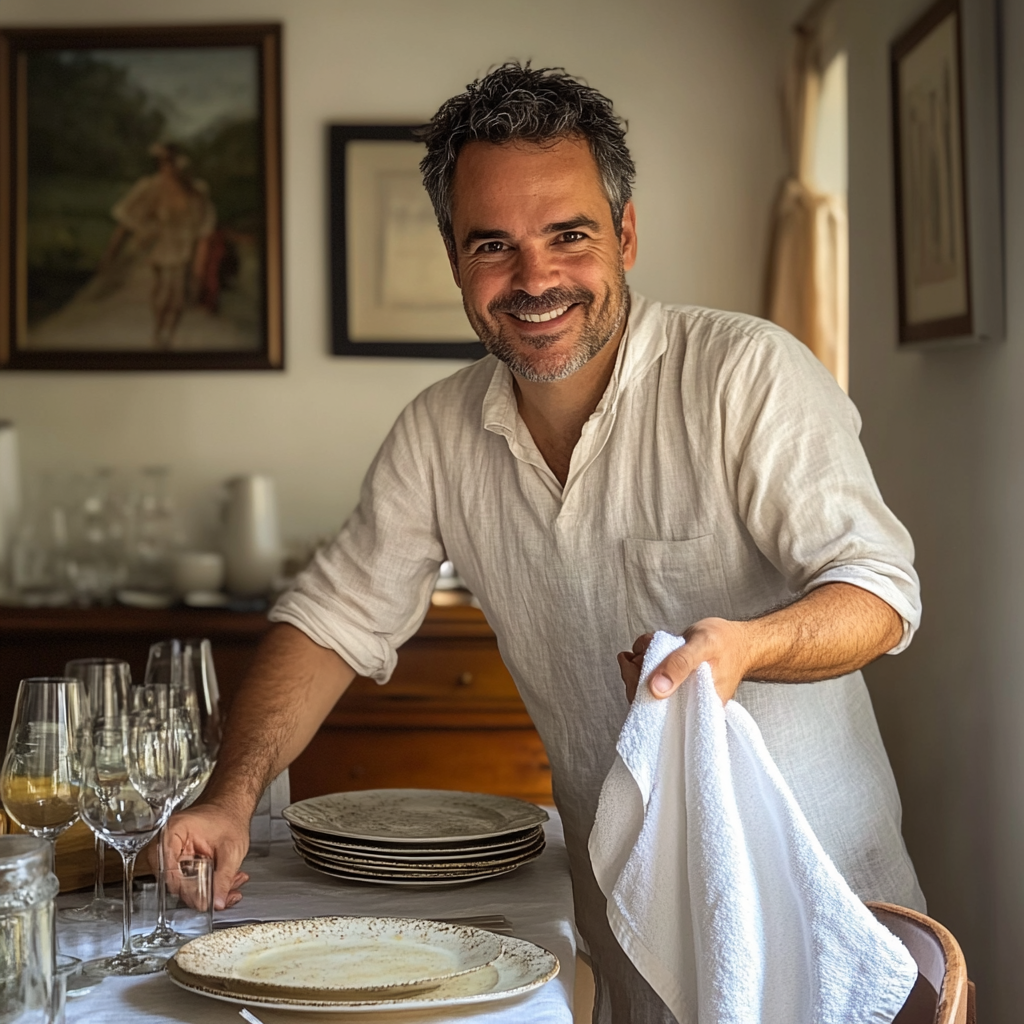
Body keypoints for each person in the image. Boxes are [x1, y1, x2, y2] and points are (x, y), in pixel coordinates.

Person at [163, 64, 924, 1022]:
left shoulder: (747, 372)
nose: (535, 280)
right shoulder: (436, 433)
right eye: (494, 245)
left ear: (627, 234)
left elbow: (880, 590)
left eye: (569, 235)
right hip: (630, 939)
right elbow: (327, 621)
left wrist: (748, 648)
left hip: (832, 924)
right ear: (454, 258)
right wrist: (234, 795)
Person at [102, 142, 216, 348]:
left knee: (179, 297)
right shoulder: (151, 187)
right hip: (158, 245)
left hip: (183, 247)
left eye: (173, 163)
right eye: (164, 163)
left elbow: (204, 229)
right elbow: (125, 221)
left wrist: (200, 265)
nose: (170, 168)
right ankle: (158, 330)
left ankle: (169, 334)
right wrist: (112, 251)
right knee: (163, 290)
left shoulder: (197, 191)